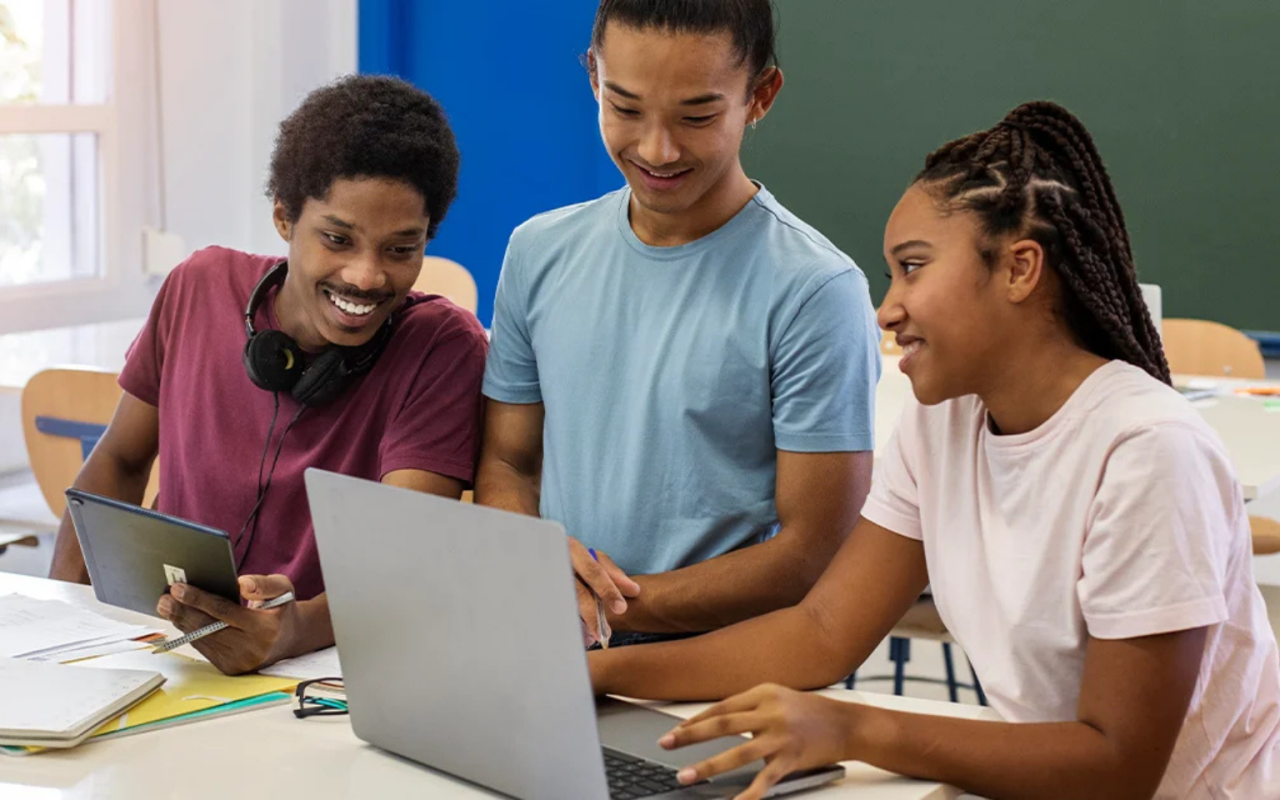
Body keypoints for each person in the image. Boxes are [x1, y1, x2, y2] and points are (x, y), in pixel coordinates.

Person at [588, 101, 1280, 799]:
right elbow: (822, 630)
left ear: (1018, 269)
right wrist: (600, 673)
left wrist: (857, 729)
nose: (887, 308)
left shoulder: (1147, 451)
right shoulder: (944, 423)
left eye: (912, 268)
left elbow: (1117, 765)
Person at [49, 75, 488, 675]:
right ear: (284, 217)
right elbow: (120, 462)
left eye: (400, 249)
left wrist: (291, 631)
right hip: (165, 653)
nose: (366, 276)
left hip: (325, 674)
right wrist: (61, 622)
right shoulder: (197, 288)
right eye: (337, 239)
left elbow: (402, 559)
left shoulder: (444, 348)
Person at [477, 0, 880, 647]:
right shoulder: (537, 252)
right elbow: (507, 460)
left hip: (718, 677)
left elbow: (813, 551)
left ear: (761, 96)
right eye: (627, 108)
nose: (657, 149)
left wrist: (595, 606)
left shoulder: (815, 291)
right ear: (593, 80)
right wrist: (537, 570)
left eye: (697, 115)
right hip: (553, 654)